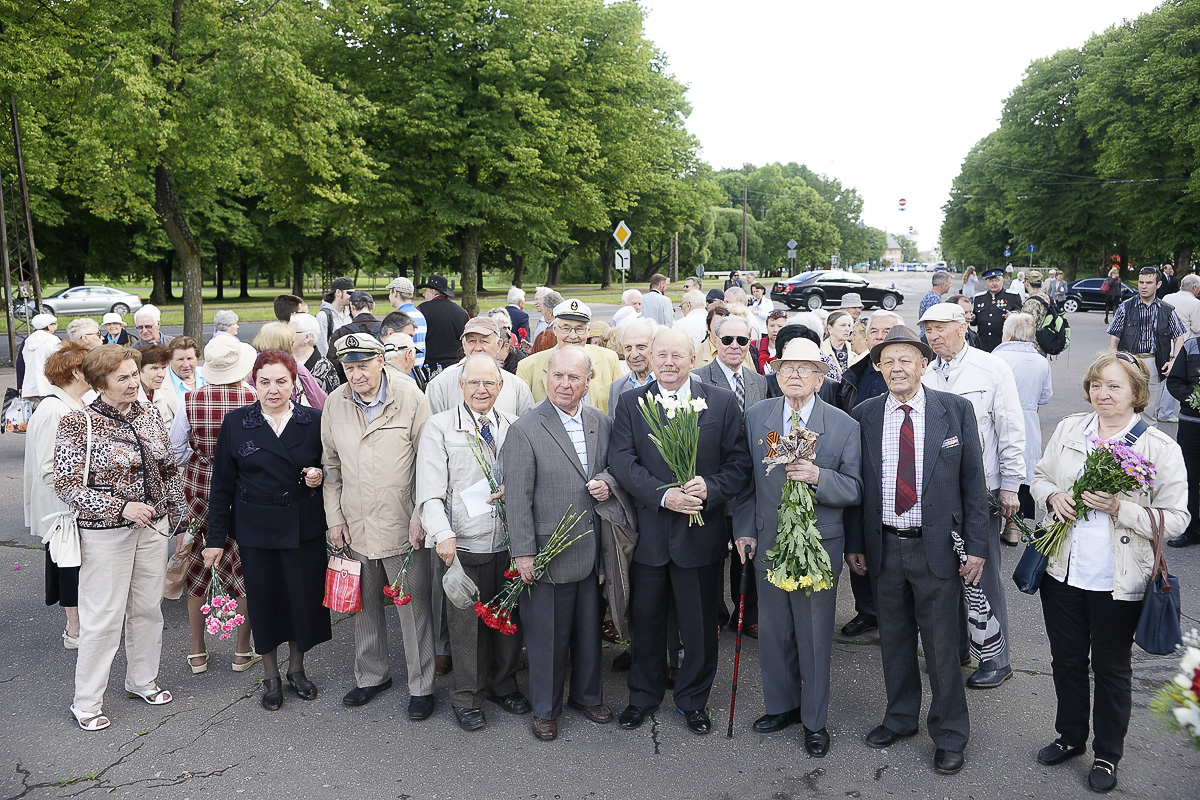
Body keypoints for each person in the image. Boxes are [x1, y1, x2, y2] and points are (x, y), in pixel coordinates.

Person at [1030, 351, 1187, 793]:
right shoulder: (1069, 430)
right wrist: (1051, 496)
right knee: (1066, 662)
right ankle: (1071, 737)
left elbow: (1177, 519)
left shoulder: (1159, 447)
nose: (1103, 393)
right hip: (1063, 573)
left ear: (1137, 394)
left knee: (1112, 669)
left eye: (1115, 386)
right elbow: (1039, 476)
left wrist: (1124, 508)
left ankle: (1106, 754)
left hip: (1121, 581)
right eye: (1097, 384)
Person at [844, 325, 988, 775]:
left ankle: (949, 734)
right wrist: (855, 543)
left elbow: (973, 484)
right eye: (888, 361)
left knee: (943, 648)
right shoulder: (865, 413)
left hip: (937, 550)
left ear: (924, 364)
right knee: (895, 642)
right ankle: (901, 717)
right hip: (884, 546)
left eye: (906, 359)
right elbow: (857, 485)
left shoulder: (955, 411)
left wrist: (978, 548)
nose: (897, 367)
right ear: (879, 367)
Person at [609, 328, 752, 736]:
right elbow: (622, 461)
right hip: (651, 536)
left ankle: (693, 700)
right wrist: (662, 496)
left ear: (694, 358)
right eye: (662, 355)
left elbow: (739, 464)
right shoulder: (631, 403)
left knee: (700, 627)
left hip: (700, 537)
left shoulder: (721, 403)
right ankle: (643, 696)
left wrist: (711, 488)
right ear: (650, 358)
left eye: (678, 355)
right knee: (647, 622)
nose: (669, 363)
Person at [733, 336, 862, 755]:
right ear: (776, 371)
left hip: (817, 547)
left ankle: (814, 720)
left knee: (813, 634)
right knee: (774, 631)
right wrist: (744, 529)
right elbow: (746, 482)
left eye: (805, 368)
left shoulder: (844, 425)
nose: (794, 374)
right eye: (787, 367)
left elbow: (856, 489)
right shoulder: (757, 417)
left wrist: (818, 477)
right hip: (768, 540)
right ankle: (781, 705)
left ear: (820, 377)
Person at [55, 345, 187, 731]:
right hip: (105, 534)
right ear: (100, 383)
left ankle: (141, 681)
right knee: (103, 619)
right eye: (123, 377)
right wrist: (121, 507)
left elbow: (168, 467)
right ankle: (86, 702)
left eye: (135, 374)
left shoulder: (147, 413)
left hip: (152, 530)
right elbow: (65, 485)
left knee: (148, 608)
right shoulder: (79, 422)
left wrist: (181, 522)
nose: (134, 383)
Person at [207, 349, 332, 711]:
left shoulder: (314, 420)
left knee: (301, 600)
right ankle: (270, 676)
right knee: (265, 602)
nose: (273, 389)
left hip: (301, 527)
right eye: (265, 382)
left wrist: (318, 477)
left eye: (281, 381)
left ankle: (296, 669)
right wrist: (215, 540)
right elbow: (222, 486)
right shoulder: (236, 423)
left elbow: (332, 471)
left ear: (295, 384)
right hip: (256, 530)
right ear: (253, 383)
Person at [321, 333, 438, 719]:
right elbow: (331, 467)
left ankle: (422, 685)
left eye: (363, 366)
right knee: (364, 605)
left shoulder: (410, 398)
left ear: (381, 362)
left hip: (402, 523)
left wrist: (423, 513)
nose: (356, 375)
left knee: (413, 607)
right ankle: (372, 676)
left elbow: (429, 461)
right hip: (356, 523)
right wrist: (334, 518)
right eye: (349, 367)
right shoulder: (335, 404)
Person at [502, 347, 614, 740]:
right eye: (558, 376)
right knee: (547, 636)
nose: (565, 384)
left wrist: (609, 484)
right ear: (546, 377)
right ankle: (545, 709)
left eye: (574, 378)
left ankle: (586, 695)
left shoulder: (600, 421)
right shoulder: (526, 428)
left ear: (588, 381)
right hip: (549, 551)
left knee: (588, 629)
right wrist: (523, 553)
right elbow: (517, 496)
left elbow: (612, 470)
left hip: (593, 547)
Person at [415, 354, 529, 730]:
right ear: (460, 386)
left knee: (507, 621)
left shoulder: (515, 426)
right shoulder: (440, 427)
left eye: (490, 383)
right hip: (462, 546)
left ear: (501, 387)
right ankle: (467, 696)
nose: (482, 389)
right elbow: (428, 491)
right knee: (466, 629)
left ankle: (504, 684)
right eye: (474, 383)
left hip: (509, 544)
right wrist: (442, 534)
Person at [920, 301, 1025, 689]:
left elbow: (1011, 428)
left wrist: (1012, 485)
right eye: (928, 330)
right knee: (946, 573)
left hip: (983, 487)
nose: (933, 337)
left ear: (963, 326)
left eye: (940, 328)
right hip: (937, 490)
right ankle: (959, 648)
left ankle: (997, 658)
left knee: (983, 574)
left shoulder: (992, 367)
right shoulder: (926, 372)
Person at [169, 336, 260, 676]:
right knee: (245, 568)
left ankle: (197, 652)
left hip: (199, 493)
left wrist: (202, 457)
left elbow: (176, 450)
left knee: (198, 567)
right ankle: (241, 650)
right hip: (244, 491)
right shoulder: (254, 397)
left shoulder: (190, 400)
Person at [694, 315, 767, 635]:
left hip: (748, 485)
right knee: (712, 554)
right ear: (715, 342)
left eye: (743, 341)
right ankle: (715, 614)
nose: (735, 347)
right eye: (728, 340)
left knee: (747, 553)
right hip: (714, 482)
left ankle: (747, 613)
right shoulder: (698, 379)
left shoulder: (759, 381)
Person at [833, 310, 901, 637]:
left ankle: (897, 616)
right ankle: (867, 610)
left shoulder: (910, 376)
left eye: (888, 331)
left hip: (899, 476)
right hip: (859, 472)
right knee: (858, 545)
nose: (880, 336)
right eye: (875, 331)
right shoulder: (853, 375)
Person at [23, 342, 91, 650]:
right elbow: (50, 468)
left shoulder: (69, 404)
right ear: (76, 372)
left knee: (74, 564)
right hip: (62, 506)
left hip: (70, 503)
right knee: (67, 564)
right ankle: (74, 629)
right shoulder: (54, 409)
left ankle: (79, 625)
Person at [992, 314, 1053, 546]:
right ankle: (1014, 526)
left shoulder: (997, 357)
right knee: (1023, 470)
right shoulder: (1040, 361)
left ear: (1008, 333)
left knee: (999, 467)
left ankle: (997, 522)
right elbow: (1046, 396)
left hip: (1002, 417)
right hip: (1029, 419)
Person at [1107, 266, 1187, 427]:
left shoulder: (1167, 310)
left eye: (1148, 282)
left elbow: (1180, 338)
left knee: (1150, 412)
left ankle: (1148, 449)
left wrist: (1173, 361)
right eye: (1141, 282)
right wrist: (1111, 363)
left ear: (1158, 285)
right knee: (1125, 407)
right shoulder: (1125, 307)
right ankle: (1124, 450)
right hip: (1128, 363)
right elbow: (1113, 340)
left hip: (1154, 364)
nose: (1143, 286)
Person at [516, 299, 623, 414]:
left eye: (579, 329)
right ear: (555, 329)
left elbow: (618, 409)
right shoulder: (528, 367)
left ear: (588, 331)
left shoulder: (609, 360)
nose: (573, 336)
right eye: (566, 328)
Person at [426, 317, 534, 416]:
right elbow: (431, 429)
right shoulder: (440, 385)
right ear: (464, 345)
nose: (478, 348)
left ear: (498, 345)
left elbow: (527, 432)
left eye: (484, 341)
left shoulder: (517, 387)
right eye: (472, 341)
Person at [1166, 331, 1200, 548]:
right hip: (1192, 425)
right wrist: (1193, 401)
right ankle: (1192, 529)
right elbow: (1175, 381)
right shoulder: (1192, 346)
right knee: (1189, 476)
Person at [253, 322, 327, 410]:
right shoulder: (296, 368)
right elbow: (320, 401)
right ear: (285, 344)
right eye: (291, 343)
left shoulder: (247, 366)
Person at [417, 274, 470, 370]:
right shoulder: (462, 312)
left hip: (429, 366)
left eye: (425, 291)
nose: (423, 294)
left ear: (433, 292)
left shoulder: (421, 310)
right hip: (456, 366)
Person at [607, 319, 656, 412]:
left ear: (655, 346)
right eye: (628, 348)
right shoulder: (616, 388)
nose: (634, 354)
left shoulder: (671, 382)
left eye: (641, 347)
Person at [972, 267, 1022, 352]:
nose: (994, 283)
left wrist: (1012, 317)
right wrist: (973, 319)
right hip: (983, 344)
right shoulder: (979, 298)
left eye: (997, 280)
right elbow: (975, 321)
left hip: (1004, 345)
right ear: (986, 282)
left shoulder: (1012, 296)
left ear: (1002, 281)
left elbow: (1020, 318)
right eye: (991, 281)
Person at [289, 313, 341, 394]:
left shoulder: (324, 367)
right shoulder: (283, 360)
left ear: (307, 337)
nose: (286, 336)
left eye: (291, 332)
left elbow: (332, 400)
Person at [385, 277, 427, 368]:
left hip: (405, 369)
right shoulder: (420, 315)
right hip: (418, 369)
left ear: (395, 292)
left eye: (390, 292)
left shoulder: (399, 318)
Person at [136, 344, 178, 430]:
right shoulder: (128, 397)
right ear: (138, 369)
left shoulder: (161, 391)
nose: (161, 374)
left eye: (163, 368)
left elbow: (167, 425)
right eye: (154, 368)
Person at [22, 313, 62, 399]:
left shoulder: (28, 341)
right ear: (48, 326)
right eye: (53, 324)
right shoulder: (52, 339)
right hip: (48, 384)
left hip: (30, 385)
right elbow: (60, 360)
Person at [316, 277, 355, 357]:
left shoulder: (351, 312)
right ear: (338, 293)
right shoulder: (323, 316)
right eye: (349, 293)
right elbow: (321, 347)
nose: (352, 297)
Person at [166, 336, 206, 401]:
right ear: (170, 360)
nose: (186, 364)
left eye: (189, 358)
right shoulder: (161, 383)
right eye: (180, 359)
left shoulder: (207, 375)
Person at [752, 310, 789, 374]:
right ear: (766, 327)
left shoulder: (790, 347)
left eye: (780, 326)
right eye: (772, 326)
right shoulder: (754, 345)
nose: (775, 330)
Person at [918, 272, 951, 338]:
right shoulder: (933, 299)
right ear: (942, 284)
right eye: (949, 283)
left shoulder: (932, 296)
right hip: (929, 338)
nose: (950, 285)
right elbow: (932, 321)